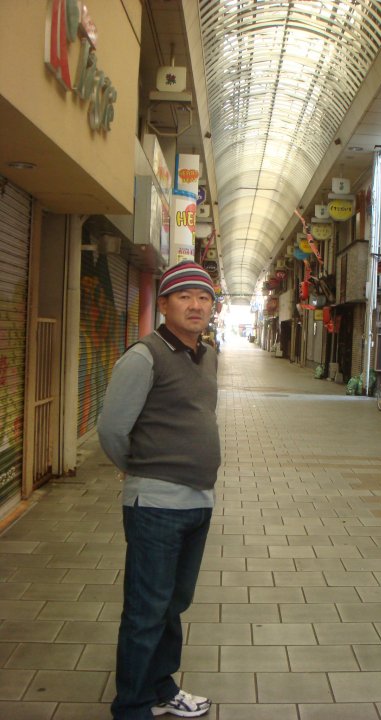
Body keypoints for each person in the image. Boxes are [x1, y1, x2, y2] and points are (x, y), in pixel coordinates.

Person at [97, 260, 220, 720]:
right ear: (164, 304)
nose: (196, 305)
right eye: (185, 296)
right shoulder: (144, 356)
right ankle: (131, 707)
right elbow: (112, 429)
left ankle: (161, 688)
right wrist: (142, 471)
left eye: (204, 297)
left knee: (172, 605)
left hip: (198, 501)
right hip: (155, 506)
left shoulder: (207, 355)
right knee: (146, 610)